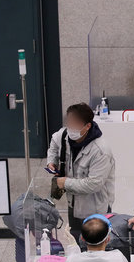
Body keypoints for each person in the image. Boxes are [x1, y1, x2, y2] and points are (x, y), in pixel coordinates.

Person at [47, 103, 115, 242]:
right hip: (73, 204)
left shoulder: (101, 151)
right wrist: (51, 160)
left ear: (87, 126)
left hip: (95, 209)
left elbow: (93, 184)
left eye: (75, 123)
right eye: (69, 122)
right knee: (76, 242)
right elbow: (54, 143)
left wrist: (64, 183)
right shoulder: (64, 135)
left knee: (97, 246)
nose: (70, 127)